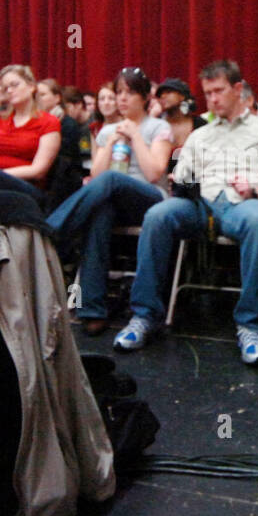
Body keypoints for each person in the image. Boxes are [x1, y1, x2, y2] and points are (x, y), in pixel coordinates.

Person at [114, 60, 258, 365]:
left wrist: (257, 190)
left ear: (238, 89)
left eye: (218, 91)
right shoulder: (201, 135)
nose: (211, 99)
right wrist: (180, 182)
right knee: (159, 214)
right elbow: (180, 179)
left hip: (242, 203)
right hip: (200, 204)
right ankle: (144, 316)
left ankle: (250, 325)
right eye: (207, 93)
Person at [48, 67, 173, 335]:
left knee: (111, 183)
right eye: (119, 93)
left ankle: (51, 231)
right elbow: (96, 174)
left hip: (151, 201)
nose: (122, 99)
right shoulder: (108, 130)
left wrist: (136, 136)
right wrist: (114, 138)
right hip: (117, 201)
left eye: (129, 93)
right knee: (100, 212)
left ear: (143, 97)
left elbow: (154, 173)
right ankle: (92, 309)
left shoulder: (159, 127)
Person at [0, 64, 61, 189]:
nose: (10, 90)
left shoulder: (48, 122)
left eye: (14, 85)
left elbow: (38, 171)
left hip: (24, 187)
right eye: (6, 88)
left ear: (31, 86)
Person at [155, 77, 206, 168]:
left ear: (182, 96)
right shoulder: (156, 125)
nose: (163, 96)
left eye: (168, 92)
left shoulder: (200, 124)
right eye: (160, 94)